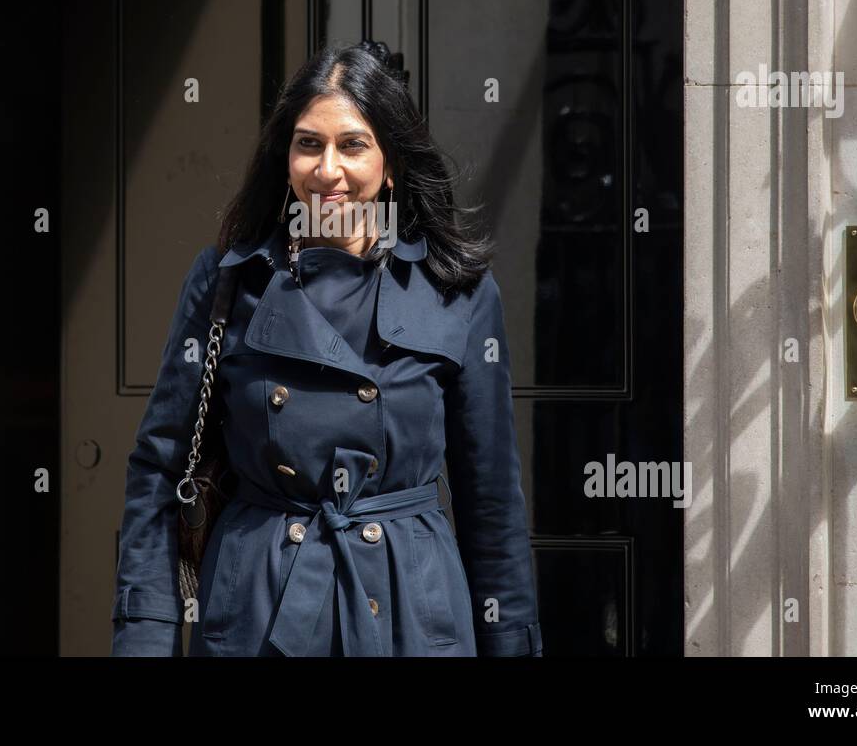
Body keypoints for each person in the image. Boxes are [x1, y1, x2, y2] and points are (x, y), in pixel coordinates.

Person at [110, 39, 543, 656]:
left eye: (353, 144)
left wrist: (512, 643)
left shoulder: (459, 292)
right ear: (285, 158)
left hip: (410, 616)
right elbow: (159, 470)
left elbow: (491, 499)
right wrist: (144, 639)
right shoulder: (228, 280)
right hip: (260, 606)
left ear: (391, 162)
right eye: (309, 143)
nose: (328, 169)